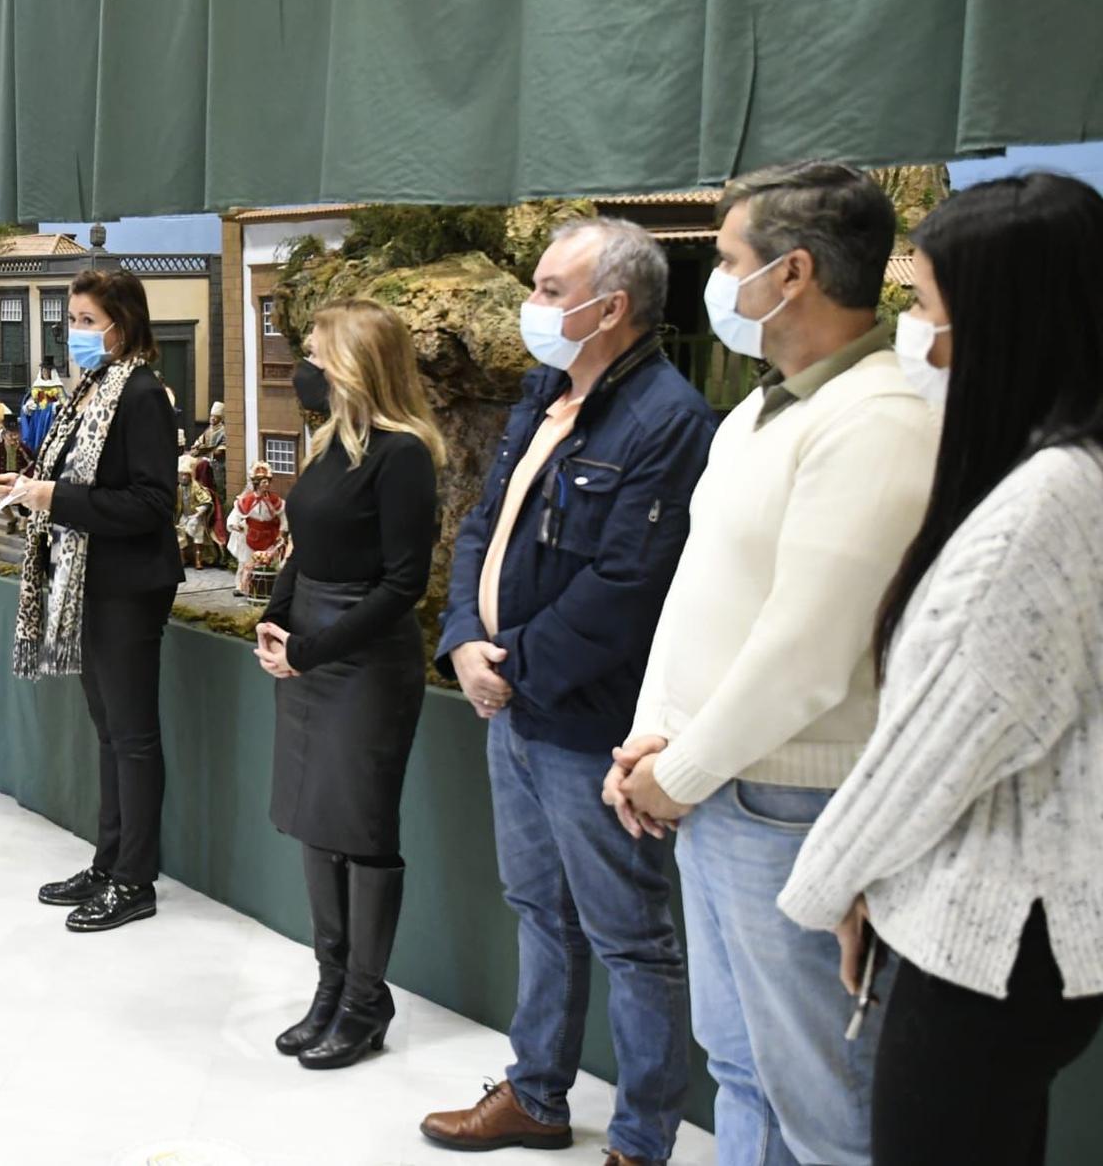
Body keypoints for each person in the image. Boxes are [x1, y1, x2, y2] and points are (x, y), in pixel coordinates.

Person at [602, 162, 939, 1166]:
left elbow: (806, 653)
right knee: (738, 1066)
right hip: (713, 792)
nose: (717, 282)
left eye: (729, 261)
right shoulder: (760, 412)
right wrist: (649, 739)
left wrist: (680, 770)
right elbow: (699, 595)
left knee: (823, 1104)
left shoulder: (876, 419)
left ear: (789, 274)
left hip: (787, 807)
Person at [778, 174, 1103, 1166]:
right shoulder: (1059, 474)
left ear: (1006, 321)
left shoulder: (1044, 504)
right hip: (1022, 928)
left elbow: (935, 747)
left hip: (995, 938)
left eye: (922, 306)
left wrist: (824, 885)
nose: (910, 332)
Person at [419, 220, 714, 1163]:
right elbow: (481, 529)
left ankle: (640, 1139)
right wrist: (464, 639)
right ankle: (538, 1093)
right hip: (512, 707)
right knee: (538, 911)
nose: (531, 305)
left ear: (610, 306)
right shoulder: (547, 391)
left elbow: (628, 588)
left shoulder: (668, 420)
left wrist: (515, 670)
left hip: (587, 725)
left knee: (632, 940)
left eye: (549, 288)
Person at [254, 298, 442, 1071]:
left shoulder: (403, 455)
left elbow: (403, 586)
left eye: (316, 348)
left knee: (362, 830)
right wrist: (276, 617)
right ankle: (331, 986)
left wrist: (312, 646)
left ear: (357, 359)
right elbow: (309, 542)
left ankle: (367, 1000)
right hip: (311, 643)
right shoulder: (335, 439)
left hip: (364, 660)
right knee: (315, 821)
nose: (306, 362)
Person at [0, 268, 183, 932]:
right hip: (88, 582)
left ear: (122, 323)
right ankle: (109, 861)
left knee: (132, 737)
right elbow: (71, 478)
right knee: (109, 731)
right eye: (69, 319)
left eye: (85, 319)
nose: (74, 332)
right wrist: (26, 486)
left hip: (129, 585)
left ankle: (136, 878)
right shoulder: (92, 390)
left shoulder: (143, 395)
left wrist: (55, 498)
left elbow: (154, 503)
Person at [226, 461, 288, 597]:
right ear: (257, 483)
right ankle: (242, 587)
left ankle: (272, 586)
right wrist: (235, 525)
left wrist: (282, 531)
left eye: (267, 481)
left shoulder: (274, 500)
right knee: (245, 562)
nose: (266, 484)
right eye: (263, 482)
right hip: (251, 534)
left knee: (272, 562)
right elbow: (235, 514)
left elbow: (283, 515)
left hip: (270, 534)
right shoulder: (246, 500)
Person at [0, 419, 32, 533]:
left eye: (16, 434)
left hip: (20, 481)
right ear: (4, 435)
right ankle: (12, 520)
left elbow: (32, 464)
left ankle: (23, 524)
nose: (14, 437)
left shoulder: (24, 449)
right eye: (11, 434)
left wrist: (25, 478)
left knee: (24, 501)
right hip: (4, 481)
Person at [174, 457, 218, 570]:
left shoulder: (196, 487)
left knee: (198, 536)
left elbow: (206, 501)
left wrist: (198, 513)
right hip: (183, 515)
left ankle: (198, 560)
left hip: (195, 515)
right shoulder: (178, 489)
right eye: (182, 475)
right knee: (180, 536)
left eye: (186, 475)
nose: (184, 477)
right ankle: (182, 559)